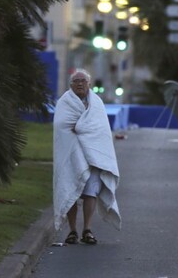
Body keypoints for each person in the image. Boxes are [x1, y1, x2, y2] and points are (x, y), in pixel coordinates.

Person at [53, 69, 121, 245]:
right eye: (76, 81)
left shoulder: (97, 104)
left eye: (83, 80)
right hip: (71, 155)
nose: (80, 83)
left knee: (91, 193)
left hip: (93, 157)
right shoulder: (64, 102)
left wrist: (81, 127)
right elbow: (62, 125)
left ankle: (87, 229)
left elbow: (101, 130)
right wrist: (78, 127)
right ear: (71, 85)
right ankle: (73, 230)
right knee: (71, 191)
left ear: (89, 84)